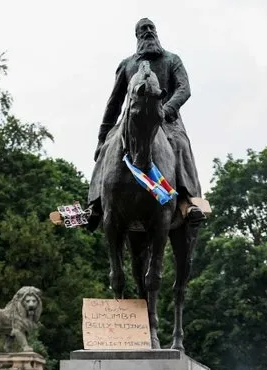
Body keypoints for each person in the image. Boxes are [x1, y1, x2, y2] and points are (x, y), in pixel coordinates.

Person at [87, 17, 204, 232]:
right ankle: (95, 204)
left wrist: (166, 110)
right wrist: (102, 137)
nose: (149, 32)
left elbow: (184, 89)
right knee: (109, 146)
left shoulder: (172, 60)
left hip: (168, 121)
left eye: (152, 28)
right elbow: (114, 103)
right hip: (131, 122)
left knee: (179, 144)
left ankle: (187, 200)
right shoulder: (127, 65)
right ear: (137, 36)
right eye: (144, 29)